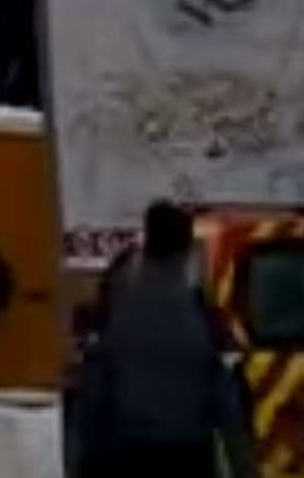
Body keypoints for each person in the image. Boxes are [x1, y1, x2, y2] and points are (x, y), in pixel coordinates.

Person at [80, 200, 254, 478]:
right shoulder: (198, 304)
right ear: (185, 245)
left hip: (126, 448)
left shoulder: (119, 288)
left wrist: (84, 456)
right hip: (185, 448)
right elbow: (222, 389)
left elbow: (95, 380)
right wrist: (243, 463)